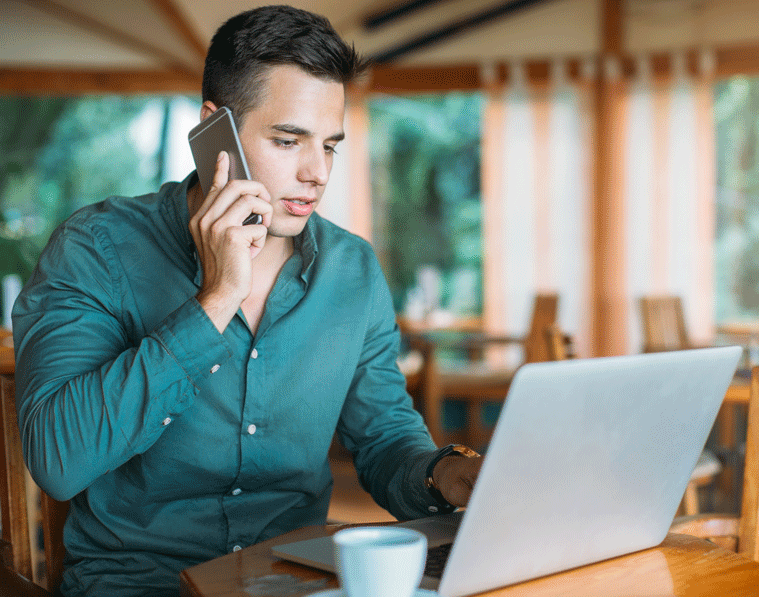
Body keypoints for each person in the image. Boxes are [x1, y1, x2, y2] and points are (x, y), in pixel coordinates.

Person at [12, 5, 482, 596]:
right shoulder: (97, 250)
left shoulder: (352, 269)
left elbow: (385, 437)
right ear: (216, 133)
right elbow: (58, 461)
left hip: (294, 579)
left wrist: (448, 474)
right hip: (141, 584)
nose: (316, 172)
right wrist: (217, 298)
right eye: (289, 140)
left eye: (330, 145)